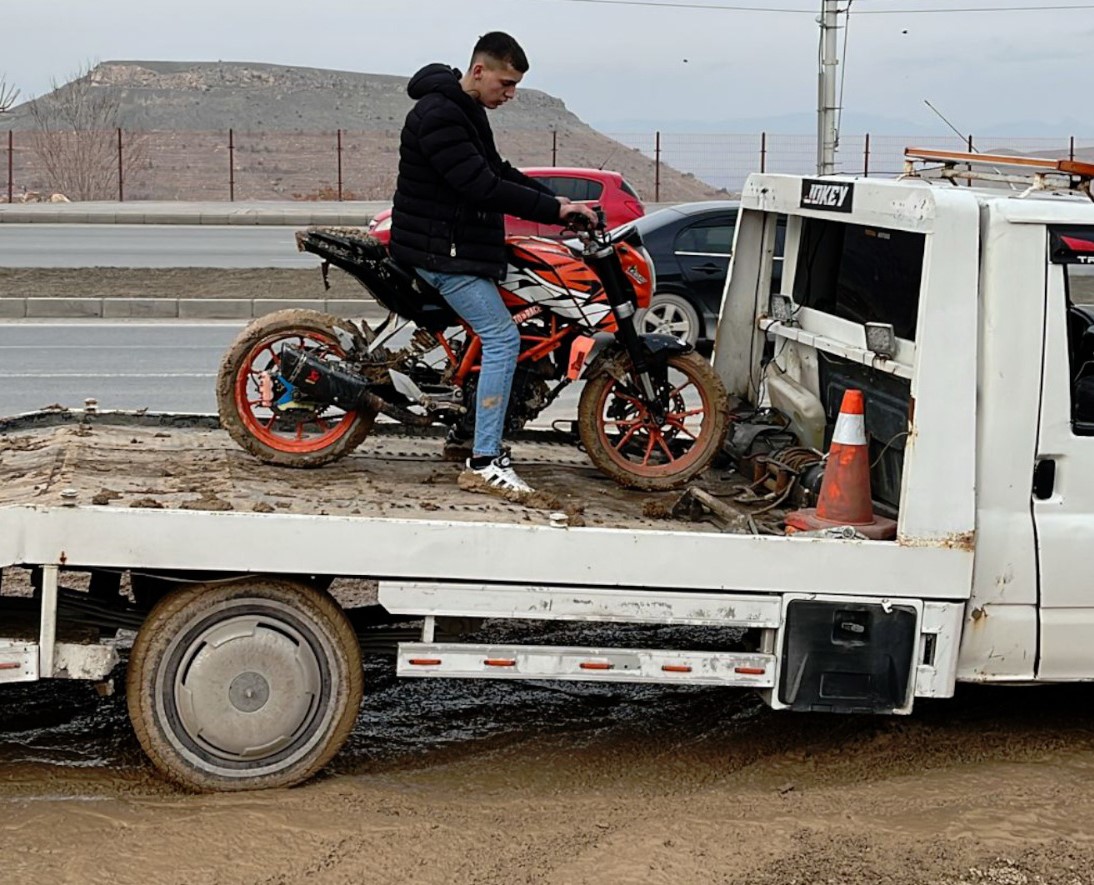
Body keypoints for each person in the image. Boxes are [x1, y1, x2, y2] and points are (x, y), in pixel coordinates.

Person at [389, 31, 597, 495]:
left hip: (453, 244)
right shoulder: (440, 114)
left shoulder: (465, 110)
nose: (511, 93)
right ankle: (483, 459)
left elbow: (498, 170)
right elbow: (480, 186)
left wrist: (555, 199)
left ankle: (463, 432)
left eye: (515, 85)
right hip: (441, 252)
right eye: (505, 83)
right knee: (503, 337)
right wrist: (552, 212)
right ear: (478, 71)